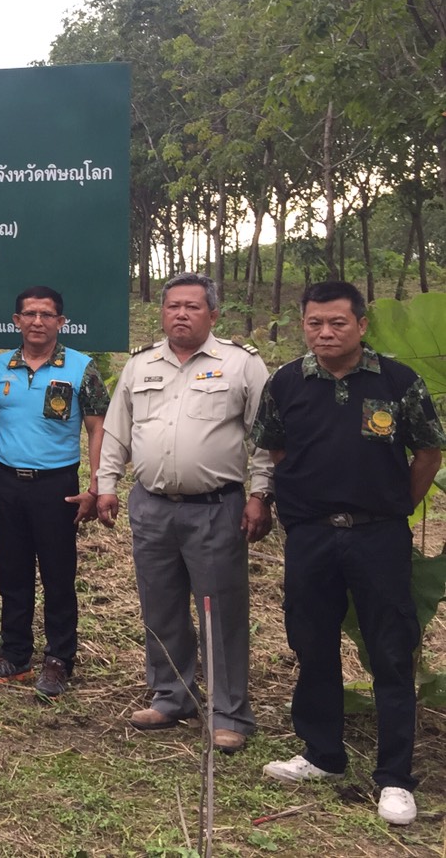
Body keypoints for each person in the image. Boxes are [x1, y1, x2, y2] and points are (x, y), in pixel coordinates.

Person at [251, 281, 444, 827]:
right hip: (311, 535)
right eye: (315, 323)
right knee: (311, 642)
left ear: (360, 325)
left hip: (378, 536)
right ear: (304, 325)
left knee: (391, 649)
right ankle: (322, 754)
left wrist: (394, 506)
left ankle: (395, 777)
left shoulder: (396, 381)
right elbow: (276, 447)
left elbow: (428, 452)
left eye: (337, 323)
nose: (325, 333)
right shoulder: (286, 382)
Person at [96, 271, 273, 754]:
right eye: (173, 306)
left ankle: (228, 712)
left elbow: (267, 437)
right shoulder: (141, 365)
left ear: (212, 314)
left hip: (215, 508)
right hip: (151, 506)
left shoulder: (240, 364)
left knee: (220, 610)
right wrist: (106, 485)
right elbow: (117, 431)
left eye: (192, 307)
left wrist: (261, 494)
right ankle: (172, 696)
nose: (181, 314)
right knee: (161, 605)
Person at [0, 285, 108, 696]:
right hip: (6, 482)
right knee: (12, 572)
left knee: (58, 575)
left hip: (57, 486)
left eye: (47, 315)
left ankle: (58, 660)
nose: (38, 322)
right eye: (30, 314)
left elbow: (98, 428)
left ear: (61, 322)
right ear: (16, 321)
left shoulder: (82, 368)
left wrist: (96, 485)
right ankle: (15, 654)